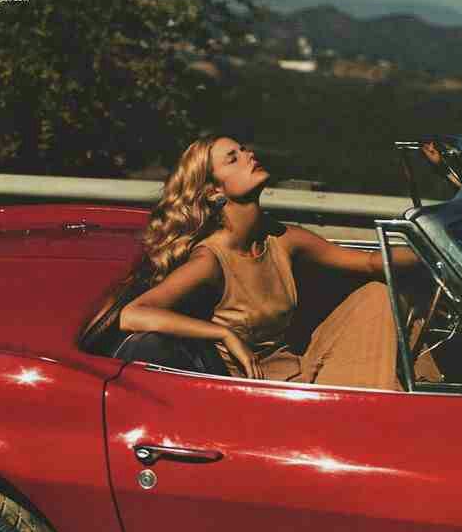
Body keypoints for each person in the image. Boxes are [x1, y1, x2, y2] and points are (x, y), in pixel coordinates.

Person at [119, 135, 418, 390]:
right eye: (232, 158)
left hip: (299, 368)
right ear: (214, 191)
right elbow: (132, 314)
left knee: (381, 294)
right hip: (260, 390)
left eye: (245, 150)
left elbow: (368, 262)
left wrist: (436, 249)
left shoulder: (280, 236)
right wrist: (224, 334)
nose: (249, 155)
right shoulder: (210, 259)